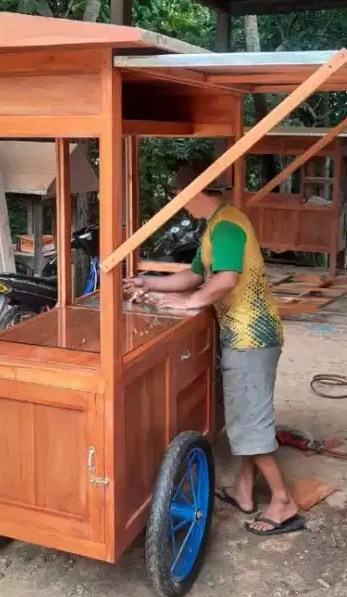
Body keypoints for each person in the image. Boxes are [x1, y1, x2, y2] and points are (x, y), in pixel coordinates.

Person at [125, 164, 303, 536]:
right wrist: (148, 282)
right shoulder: (217, 225)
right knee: (247, 414)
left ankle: (282, 501)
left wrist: (192, 303)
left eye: (180, 197)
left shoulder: (226, 227)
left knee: (248, 421)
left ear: (195, 192)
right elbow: (192, 275)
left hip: (251, 337)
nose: (181, 205)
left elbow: (225, 279)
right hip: (246, 335)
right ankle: (244, 491)